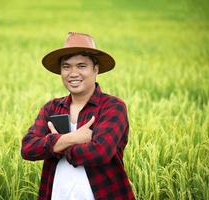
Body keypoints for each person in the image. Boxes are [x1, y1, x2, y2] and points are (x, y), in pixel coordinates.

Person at [21, 32, 135, 200]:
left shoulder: (112, 107)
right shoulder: (51, 108)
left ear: (95, 69)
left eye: (82, 66)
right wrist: (73, 138)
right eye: (66, 66)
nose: (73, 73)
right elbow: (28, 148)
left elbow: (100, 152)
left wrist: (54, 144)